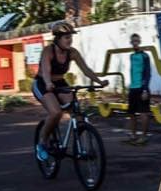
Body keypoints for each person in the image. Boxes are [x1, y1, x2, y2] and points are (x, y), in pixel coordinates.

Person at [33, 21, 108, 161]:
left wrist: (99, 82)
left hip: (60, 83)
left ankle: (80, 146)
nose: (70, 40)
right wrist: (48, 83)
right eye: (66, 37)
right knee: (56, 112)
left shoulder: (72, 52)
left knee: (77, 112)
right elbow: (46, 70)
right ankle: (42, 143)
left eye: (71, 37)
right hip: (43, 83)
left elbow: (86, 70)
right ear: (58, 38)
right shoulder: (48, 51)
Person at [126, 33, 152, 145]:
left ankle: (144, 136)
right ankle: (133, 135)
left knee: (143, 113)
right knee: (131, 113)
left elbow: (147, 73)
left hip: (142, 88)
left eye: (136, 41)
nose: (135, 43)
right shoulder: (131, 56)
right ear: (131, 43)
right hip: (133, 88)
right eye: (133, 41)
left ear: (139, 41)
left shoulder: (145, 56)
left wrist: (145, 89)